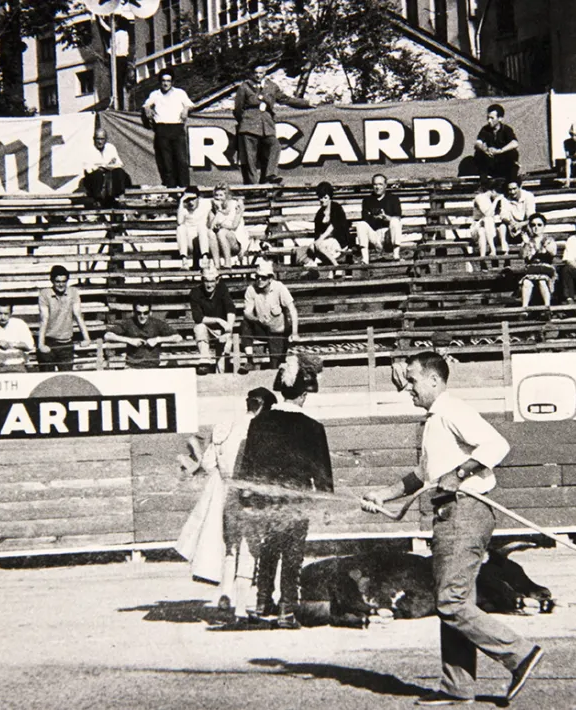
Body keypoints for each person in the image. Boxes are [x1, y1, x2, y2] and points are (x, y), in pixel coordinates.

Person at [361, 352, 542, 706]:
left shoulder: (452, 410)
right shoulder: (434, 420)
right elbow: (421, 476)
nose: (407, 388)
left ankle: (519, 654)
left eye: (412, 380)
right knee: (454, 598)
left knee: (450, 601)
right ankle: (456, 687)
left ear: (433, 380)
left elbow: (497, 445)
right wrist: (383, 494)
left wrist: (459, 474)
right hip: (451, 515)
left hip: (464, 512)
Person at [238, 353, 333, 629]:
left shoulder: (260, 422)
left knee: (268, 549)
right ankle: (287, 610)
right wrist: (325, 502)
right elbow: (322, 472)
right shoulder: (313, 427)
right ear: (304, 394)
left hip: (266, 498)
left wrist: (246, 497)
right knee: (293, 554)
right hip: (297, 499)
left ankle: (262, 603)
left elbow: (249, 464)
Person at [176, 387, 277, 618]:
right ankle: (241, 607)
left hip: (226, 494)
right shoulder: (261, 429)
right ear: (263, 406)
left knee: (230, 547)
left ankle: (226, 594)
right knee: (250, 550)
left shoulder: (225, 427)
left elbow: (209, 464)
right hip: (251, 495)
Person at [233, 63, 312, 185]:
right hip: (249, 125)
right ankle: (253, 187)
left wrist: (305, 103)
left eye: (261, 73)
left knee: (275, 146)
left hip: (266, 125)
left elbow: (286, 99)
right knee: (250, 158)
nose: (258, 76)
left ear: (265, 73)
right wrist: (245, 121)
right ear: (251, 73)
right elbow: (238, 108)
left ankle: (270, 175)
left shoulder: (272, 86)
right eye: (256, 73)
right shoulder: (244, 87)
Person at [239, 260, 298, 373]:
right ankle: (249, 360)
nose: (260, 280)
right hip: (262, 326)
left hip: (278, 329)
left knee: (275, 364)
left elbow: (292, 310)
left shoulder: (279, 287)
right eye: (257, 277)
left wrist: (294, 332)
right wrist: (257, 319)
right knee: (245, 323)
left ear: (270, 278)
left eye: (264, 277)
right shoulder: (251, 289)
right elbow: (247, 312)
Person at [141, 71, 194, 189]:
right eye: (163, 81)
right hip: (162, 129)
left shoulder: (180, 93)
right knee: (166, 162)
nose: (166, 83)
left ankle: (185, 189)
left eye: (168, 81)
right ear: (160, 82)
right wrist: (148, 108)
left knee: (181, 161)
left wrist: (185, 109)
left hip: (177, 128)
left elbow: (190, 104)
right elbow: (146, 105)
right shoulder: (155, 94)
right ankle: (171, 190)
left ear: (172, 82)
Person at [37, 265, 92, 372]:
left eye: (64, 281)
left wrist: (87, 338)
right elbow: (44, 319)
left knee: (66, 379)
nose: (61, 284)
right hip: (49, 342)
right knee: (47, 379)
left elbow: (78, 315)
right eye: (57, 281)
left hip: (67, 343)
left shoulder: (73, 292)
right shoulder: (45, 294)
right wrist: (41, 344)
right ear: (52, 281)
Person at [104, 297, 182, 369]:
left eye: (145, 313)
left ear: (150, 313)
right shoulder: (129, 323)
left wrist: (157, 339)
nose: (142, 316)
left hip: (153, 367)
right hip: (132, 366)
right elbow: (107, 335)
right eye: (139, 313)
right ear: (134, 312)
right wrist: (130, 340)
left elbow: (178, 338)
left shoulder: (156, 323)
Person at [189, 264, 237, 375]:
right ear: (202, 280)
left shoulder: (222, 289)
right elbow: (198, 318)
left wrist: (228, 329)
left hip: (222, 329)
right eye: (206, 281)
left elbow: (230, 308)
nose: (209, 284)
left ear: (217, 280)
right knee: (199, 328)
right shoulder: (195, 292)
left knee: (223, 361)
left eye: (212, 281)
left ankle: (220, 378)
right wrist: (218, 320)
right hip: (207, 328)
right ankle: (205, 361)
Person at [296, 181, 348, 268]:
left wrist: (321, 238)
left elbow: (334, 226)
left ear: (330, 197)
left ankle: (336, 266)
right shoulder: (319, 214)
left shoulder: (336, 208)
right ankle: (320, 268)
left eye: (325, 197)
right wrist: (318, 240)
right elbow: (318, 233)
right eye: (320, 197)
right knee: (311, 247)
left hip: (339, 241)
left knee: (319, 244)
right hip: (326, 244)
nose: (322, 200)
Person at [356, 174, 403, 263]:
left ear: (385, 185)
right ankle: (365, 259)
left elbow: (397, 217)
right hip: (374, 234)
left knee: (395, 221)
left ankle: (396, 255)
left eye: (380, 184)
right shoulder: (367, 200)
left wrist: (386, 218)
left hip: (388, 235)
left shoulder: (393, 199)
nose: (377, 187)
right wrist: (376, 218)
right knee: (360, 224)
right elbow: (365, 219)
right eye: (375, 184)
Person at [79, 127, 131, 208]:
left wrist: (107, 166)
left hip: (109, 174)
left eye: (102, 139)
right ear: (94, 139)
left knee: (119, 172)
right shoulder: (88, 150)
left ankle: (120, 197)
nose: (100, 142)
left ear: (106, 139)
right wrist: (100, 167)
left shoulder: (110, 148)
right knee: (97, 175)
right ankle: (98, 200)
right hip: (95, 177)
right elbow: (87, 168)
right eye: (98, 139)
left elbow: (119, 163)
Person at [519, 213, 557, 310]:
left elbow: (552, 252)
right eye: (533, 225)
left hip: (545, 270)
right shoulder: (528, 241)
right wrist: (526, 244)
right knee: (527, 283)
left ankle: (547, 308)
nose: (536, 227)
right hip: (532, 270)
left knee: (542, 281)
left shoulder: (549, 240)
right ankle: (524, 309)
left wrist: (540, 247)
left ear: (544, 226)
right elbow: (522, 256)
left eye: (539, 225)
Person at [473, 103, 519, 181]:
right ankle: (484, 184)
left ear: (500, 118)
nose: (489, 121)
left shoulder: (506, 129)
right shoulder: (485, 129)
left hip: (503, 161)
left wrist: (500, 151)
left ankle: (510, 183)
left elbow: (515, 143)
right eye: (488, 118)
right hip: (491, 161)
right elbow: (477, 143)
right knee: (478, 154)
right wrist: (485, 150)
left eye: (492, 118)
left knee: (513, 153)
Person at [208, 184, 248, 269]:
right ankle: (217, 264)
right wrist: (219, 211)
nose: (218, 198)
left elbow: (234, 226)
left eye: (221, 195)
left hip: (236, 241)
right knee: (211, 233)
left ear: (226, 196)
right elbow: (211, 227)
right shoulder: (214, 209)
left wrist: (222, 225)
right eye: (216, 195)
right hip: (220, 243)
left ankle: (228, 262)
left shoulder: (235, 205)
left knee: (221, 232)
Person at [177, 186, 212, 270]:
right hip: (189, 243)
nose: (190, 202)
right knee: (180, 227)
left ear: (199, 198)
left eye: (193, 199)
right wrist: (181, 201)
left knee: (202, 226)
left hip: (203, 240)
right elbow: (179, 221)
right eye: (188, 199)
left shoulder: (206, 204)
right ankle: (184, 261)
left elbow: (221, 199)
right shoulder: (183, 207)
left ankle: (205, 258)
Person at [497, 176, 536, 249]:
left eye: (514, 189)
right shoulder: (505, 199)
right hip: (511, 228)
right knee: (502, 227)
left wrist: (521, 224)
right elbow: (503, 215)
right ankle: (505, 253)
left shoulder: (528, 196)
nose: (512, 192)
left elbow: (531, 217)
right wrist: (510, 223)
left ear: (520, 187)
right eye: (510, 190)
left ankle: (533, 249)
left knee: (532, 225)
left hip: (525, 226)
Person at [469, 179, 502, 263]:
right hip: (476, 227)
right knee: (486, 221)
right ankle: (492, 249)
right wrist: (496, 200)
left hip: (489, 231)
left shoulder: (490, 199)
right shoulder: (480, 197)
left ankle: (482, 260)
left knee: (482, 231)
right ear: (493, 191)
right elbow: (488, 213)